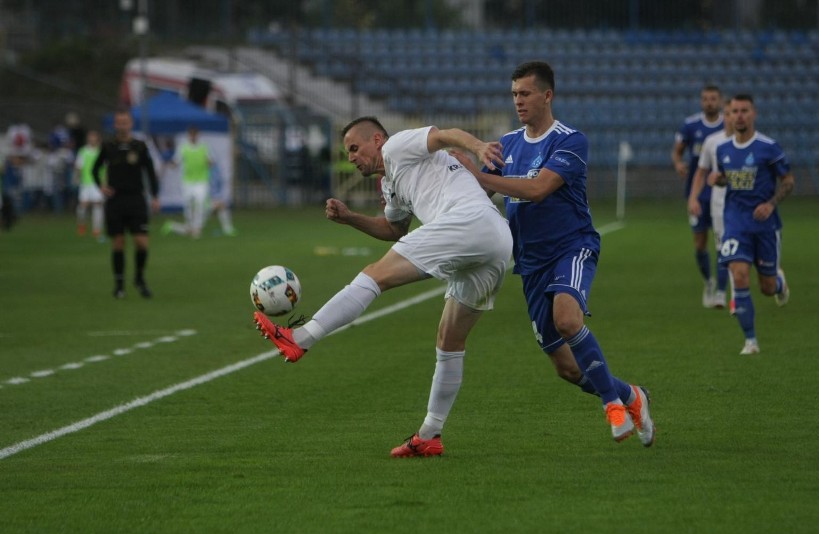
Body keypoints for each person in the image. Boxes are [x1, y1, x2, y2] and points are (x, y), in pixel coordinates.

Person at [253, 116, 513, 458]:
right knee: (450, 340)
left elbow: (444, 135)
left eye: (355, 148)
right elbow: (394, 230)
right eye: (347, 152)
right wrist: (350, 219)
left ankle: (300, 338)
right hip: (496, 241)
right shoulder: (390, 185)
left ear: (377, 139)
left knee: (375, 274)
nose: (351, 157)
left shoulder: (397, 146)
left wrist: (478, 146)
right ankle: (430, 435)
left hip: (468, 221)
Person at [454, 61, 655, 446]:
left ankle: (612, 406)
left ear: (547, 95)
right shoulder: (507, 144)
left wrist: (475, 174)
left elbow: (537, 189)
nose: (518, 101)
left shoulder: (570, 140)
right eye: (514, 94)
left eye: (525, 93)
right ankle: (631, 395)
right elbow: (479, 197)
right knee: (565, 368)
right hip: (530, 262)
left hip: (572, 246)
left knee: (567, 319)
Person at [712, 94, 793, 355]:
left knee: (766, 287)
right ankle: (751, 341)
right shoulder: (723, 149)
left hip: (765, 225)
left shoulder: (768, 147)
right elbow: (728, 179)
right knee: (739, 274)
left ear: (753, 113)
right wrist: (719, 179)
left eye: (744, 110)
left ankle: (778, 283)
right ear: (729, 115)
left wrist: (771, 203)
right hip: (735, 222)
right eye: (734, 111)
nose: (739, 116)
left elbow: (789, 181)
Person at [92, 109, 160, 299]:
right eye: (119, 122)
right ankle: (119, 285)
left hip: (136, 199)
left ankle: (139, 278)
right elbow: (95, 169)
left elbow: (150, 171)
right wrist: (101, 186)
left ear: (131, 124)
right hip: (115, 200)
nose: (122, 125)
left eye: (125, 122)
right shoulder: (108, 146)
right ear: (115, 125)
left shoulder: (140, 146)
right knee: (119, 243)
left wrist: (154, 196)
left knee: (141, 242)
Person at [672, 84, 726, 308]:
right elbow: (678, 150)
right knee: (700, 242)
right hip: (697, 192)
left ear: (720, 101)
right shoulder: (691, 125)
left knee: (723, 243)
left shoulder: (728, 125)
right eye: (705, 99)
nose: (709, 102)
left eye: (713, 98)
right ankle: (709, 282)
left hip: (723, 192)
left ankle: (722, 293)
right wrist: (678, 163)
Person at [688, 98, 735, 311]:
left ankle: (774, 278)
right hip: (718, 203)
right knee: (722, 247)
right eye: (729, 113)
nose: (732, 117)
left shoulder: (751, 143)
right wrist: (693, 197)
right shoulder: (712, 142)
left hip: (743, 204)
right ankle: (721, 292)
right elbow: (701, 171)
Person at [162, 126, 213, 239]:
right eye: (191, 134)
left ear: (198, 135)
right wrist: (169, 164)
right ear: (189, 135)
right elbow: (176, 161)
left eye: (195, 134)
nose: (193, 137)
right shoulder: (183, 147)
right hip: (188, 181)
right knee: (188, 204)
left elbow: (210, 161)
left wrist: (209, 163)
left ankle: (197, 228)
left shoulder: (204, 147)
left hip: (201, 180)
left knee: (200, 203)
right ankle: (190, 225)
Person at [74, 130, 105, 240]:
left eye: (94, 137)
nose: (92, 139)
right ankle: (81, 224)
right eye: (90, 137)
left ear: (97, 139)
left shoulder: (101, 151)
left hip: (98, 182)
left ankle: (97, 230)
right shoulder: (83, 151)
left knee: (98, 204)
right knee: (83, 205)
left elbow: (105, 167)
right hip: (86, 182)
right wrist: (76, 177)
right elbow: (78, 166)